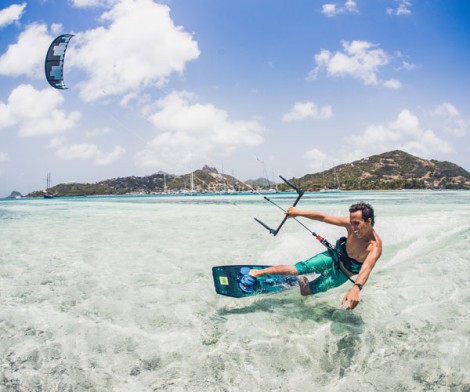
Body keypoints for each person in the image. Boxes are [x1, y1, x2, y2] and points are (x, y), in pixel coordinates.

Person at [240, 202, 382, 310]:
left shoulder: (374, 246)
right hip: (333, 257)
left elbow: (366, 268)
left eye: (356, 224)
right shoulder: (351, 225)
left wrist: (356, 288)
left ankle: (300, 281)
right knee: (297, 269)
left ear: (368, 221)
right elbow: (324, 217)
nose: (353, 227)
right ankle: (256, 273)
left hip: (342, 274)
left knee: (306, 292)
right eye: (351, 223)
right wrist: (299, 213)